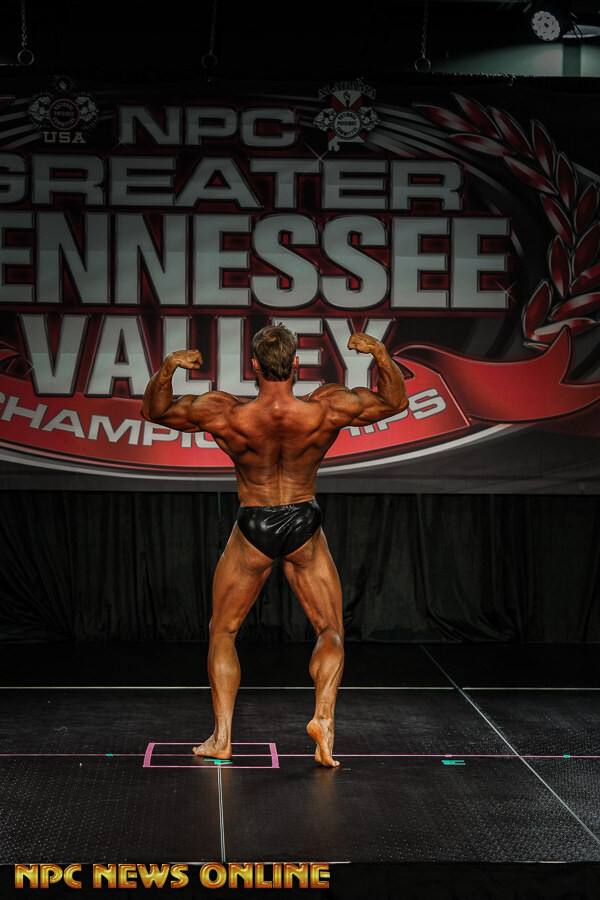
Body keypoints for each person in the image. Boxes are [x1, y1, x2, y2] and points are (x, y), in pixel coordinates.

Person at [141, 325, 408, 767]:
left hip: (255, 522)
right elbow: (395, 401)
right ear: (296, 364)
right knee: (330, 631)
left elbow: (155, 410)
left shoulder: (227, 413)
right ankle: (324, 718)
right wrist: (380, 353)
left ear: (254, 366)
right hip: (304, 519)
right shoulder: (326, 407)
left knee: (223, 631)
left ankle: (222, 737)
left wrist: (168, 368)